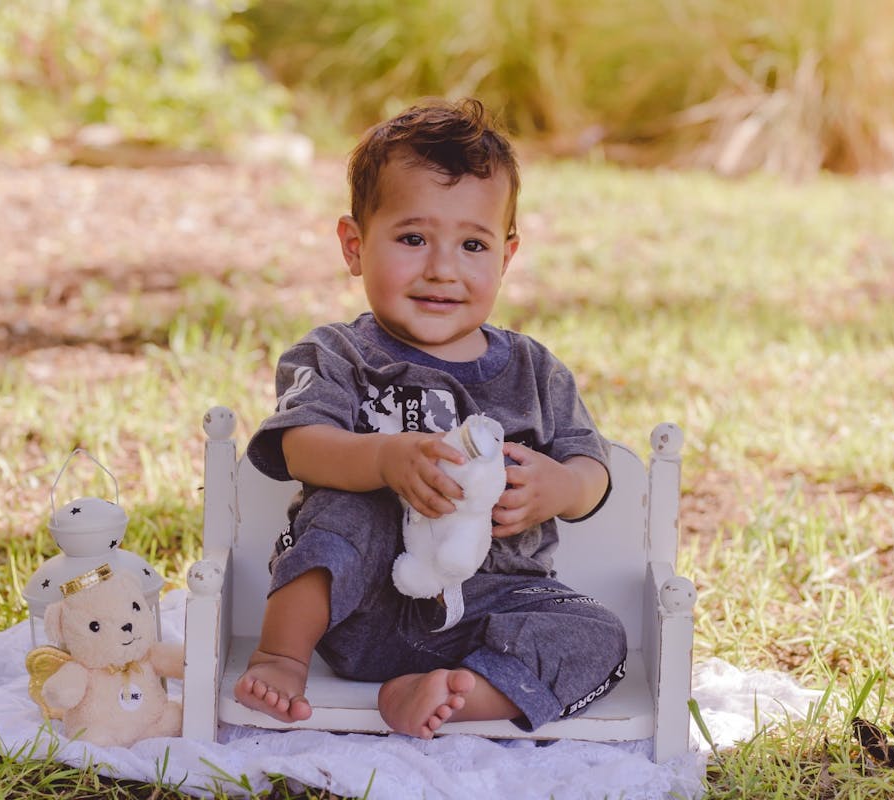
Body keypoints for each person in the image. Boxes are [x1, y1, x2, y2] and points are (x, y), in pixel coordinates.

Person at [232, 98, 626, 739]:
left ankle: (450, 693)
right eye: (413, 239)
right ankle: (281, 656)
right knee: (347, 508)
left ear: (506, 255)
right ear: (354, 245)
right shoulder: (339, 354)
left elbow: (591, 466)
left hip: (491, 610)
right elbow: (299, 445)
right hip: (357, 607)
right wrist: (382, 461)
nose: (442, 268)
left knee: (597, 635)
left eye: (472, 243)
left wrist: (562, 487)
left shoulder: (534, 369)